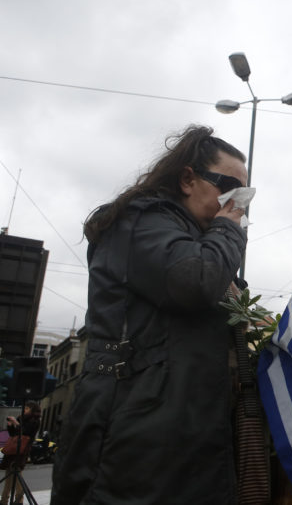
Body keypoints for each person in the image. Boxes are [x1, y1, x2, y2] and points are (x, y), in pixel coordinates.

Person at [51, 125, 250, 504]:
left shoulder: (198, 243)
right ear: (188, 179)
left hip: (185, 440)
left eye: (243, 195)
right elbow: (195, 281)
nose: (235, 204)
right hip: (132, 446)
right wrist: (227, 228)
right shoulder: (140, 221)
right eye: (228, 187)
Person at [1, 402, 41, 505]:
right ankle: (4, 500)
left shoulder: (35, 421)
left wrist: (17, 423)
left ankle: (19, 500)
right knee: (9, 475)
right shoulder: (20, 418)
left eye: (27, 408)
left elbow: (26, 432)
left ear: (33, 410)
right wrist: (11, 426)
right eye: (25, 408)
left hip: (22, 451)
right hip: (13, 449)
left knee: (17, 475)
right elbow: (14, 434)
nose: (25, 410)